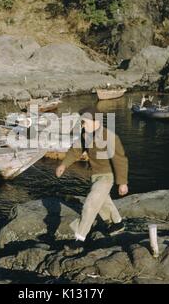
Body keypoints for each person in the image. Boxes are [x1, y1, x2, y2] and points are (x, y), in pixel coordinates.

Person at [56, 106, 129, 252]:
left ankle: (79, 238)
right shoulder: (85, 135)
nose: (82, 125)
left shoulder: (110, 137)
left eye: (84, 122)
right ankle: (117, 223)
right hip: (94, 176)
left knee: (89, 205)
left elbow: (120, 160)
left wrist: (122, 183)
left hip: (107, 177)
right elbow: (75, 150)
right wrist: (63, 165)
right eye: (82, 122)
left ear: (96, 121)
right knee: (102, 201)